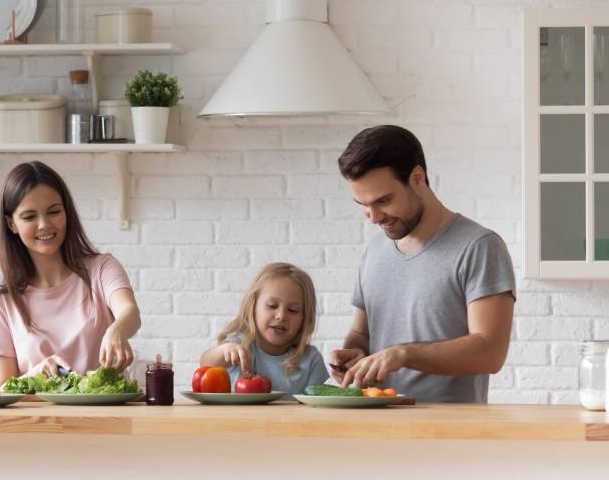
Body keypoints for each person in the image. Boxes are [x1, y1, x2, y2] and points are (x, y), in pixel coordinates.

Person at [331, 125, 515, 402]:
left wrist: (403, 354)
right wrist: (353, 354)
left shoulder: (479, 247)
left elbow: (490, 352)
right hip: (376, 428)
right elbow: (361, 333)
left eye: (384, 200)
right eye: (363, 204)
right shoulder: (375, 250)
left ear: (417, 177)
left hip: (449, 435)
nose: (373, 217)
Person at [0, 161, 141, 388]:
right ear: (11, 224)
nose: (44, 225)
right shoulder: (2, 302)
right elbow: (1, 389)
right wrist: (38, 374)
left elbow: (130, 311)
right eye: (29, 217)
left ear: (67, 212)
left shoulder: (102, 268)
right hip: (35, 422)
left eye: (54, 212)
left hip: (106, 419)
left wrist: (116, 331)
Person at [200, 262, 328, 397]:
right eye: (272, 306)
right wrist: (224, 350)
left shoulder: (311, 359)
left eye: (293, 310)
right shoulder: (239, 345)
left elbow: (317, 407)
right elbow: (205, 363)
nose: (281, 316)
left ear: (305, 318)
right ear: (253, 307)